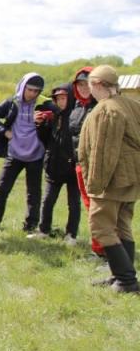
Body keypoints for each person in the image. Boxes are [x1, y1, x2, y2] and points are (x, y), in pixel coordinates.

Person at [78, 65, 140, 293]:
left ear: (98, 85)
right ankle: (119, 275)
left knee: (101, 224)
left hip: (113, 179)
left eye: (90, 84)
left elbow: (104, 151)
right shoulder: (132, 105)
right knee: (122, 225)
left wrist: (94, 185)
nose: (88, 89)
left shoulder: (107, 110)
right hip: (130, 178)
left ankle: (126, 280)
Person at [0, 73, 51, 233]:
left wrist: (47, 119)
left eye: (37, 91)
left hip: (36, 154)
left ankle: (31, 226)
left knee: (33, 193)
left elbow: (58, 115)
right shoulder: (12, 103)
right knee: (2, 189)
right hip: (14, 154)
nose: (33, 94)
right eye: (30, 89)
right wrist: (3, 131)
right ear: (23, 86)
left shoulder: (44, 104)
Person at [36, 85, 81, 241]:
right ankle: (43, 230)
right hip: (53, 166)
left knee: (74, 203)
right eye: (58, 99)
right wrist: (40, 124)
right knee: (48, 200)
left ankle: (71, 235)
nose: (61, 101)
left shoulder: (77, 115)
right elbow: (45, 139)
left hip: (72, 166)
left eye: (64, 98)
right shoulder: (54, 116)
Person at [69, 67, 101, 251]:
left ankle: (103, 249)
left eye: (87, 84)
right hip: (79, 164)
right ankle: (98, 247)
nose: (83, 88)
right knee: (89, 207)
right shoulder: (77, 106)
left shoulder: (99, 107)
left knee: (98, 209)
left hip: (95, 166)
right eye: (79, 84)